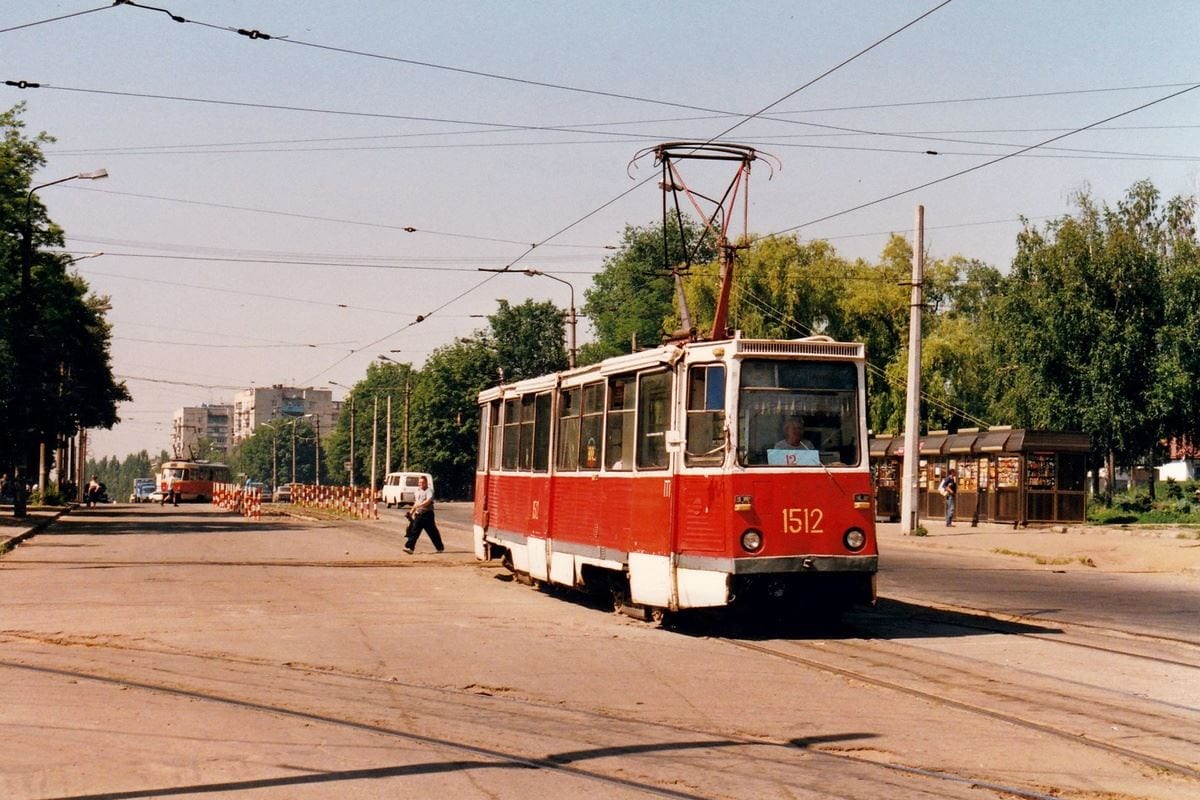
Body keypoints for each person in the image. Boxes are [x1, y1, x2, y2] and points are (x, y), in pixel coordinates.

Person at [403, 475, 444, 554]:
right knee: (414, 531)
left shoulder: (429, 491)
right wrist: (411, 513)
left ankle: (440, 547)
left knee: (432, 532)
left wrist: (420, 505)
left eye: (422, 482)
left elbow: (428, 501)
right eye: (419, 482)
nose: (421, 484)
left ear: (426, 483)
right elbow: (416, 503)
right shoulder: (417, 491)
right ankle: (409, 548)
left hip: (427, 514)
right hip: (419, 515)